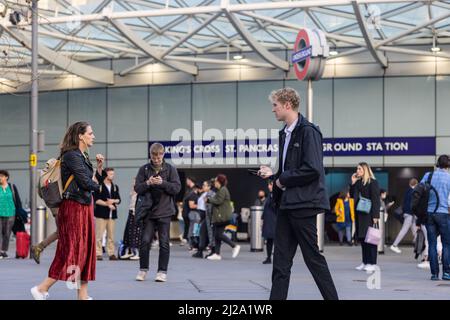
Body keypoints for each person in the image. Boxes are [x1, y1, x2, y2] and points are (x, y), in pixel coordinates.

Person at [258, 87, 338, 300]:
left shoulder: (308, 131)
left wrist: (282, 179)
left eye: (275, 105)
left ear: (287, 105)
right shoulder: (285, 134)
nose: (273, 110)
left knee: (313, 259)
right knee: (281, 263)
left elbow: (312, 168)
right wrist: (274, 175)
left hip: (304, 204)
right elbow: (289, 171)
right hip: (286, 204)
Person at [31, 121, 102, 300]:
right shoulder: (72, 155)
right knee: (70, 250)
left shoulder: (82, 155)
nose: (93, 136)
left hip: (84, 206)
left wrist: (98, 171)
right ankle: (41, 288)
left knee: (86, 250)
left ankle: (83, 295)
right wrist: (96, 185)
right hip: (73, 207)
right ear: (80, 135)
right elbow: (86, 183)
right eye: (91, 133)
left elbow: (90, 181)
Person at [31, 155, 105, 264]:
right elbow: (90, 182)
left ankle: (40, 247)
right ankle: (65, 258)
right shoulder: (66, 167)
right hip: (62, 203)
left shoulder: (51, 170)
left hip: (54, 203)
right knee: (66, 231)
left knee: (61, 231)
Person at [134, 143, 181, 282]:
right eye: (154, 156)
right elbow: (137, 188)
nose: (157, 159)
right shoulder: (144, 169)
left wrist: (163, 183)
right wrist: (148, 183)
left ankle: (162, 272)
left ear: (163, 154)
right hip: (148, 212)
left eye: (159, 156)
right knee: (145, 241)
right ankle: (143, 269)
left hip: (165, 211)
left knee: (164, 243)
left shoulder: (170, 169)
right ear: (150, 155)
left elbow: (177, 188)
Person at [419, 155, 450, 281]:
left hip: (429, 214)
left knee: (431, 243)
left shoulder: (428, 175)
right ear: (448, 165)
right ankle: (446, 273)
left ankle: (434, 274)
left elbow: (419, 191)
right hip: (443, 213)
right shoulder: (449, 177)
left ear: (437, 164)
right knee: (446, 244)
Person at [350, 162, 381, 273]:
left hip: (369, 214)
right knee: (363, 238)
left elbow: (376, 200)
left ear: (365, 170)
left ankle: (372, 263)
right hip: (360, 214)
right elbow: (352, 196)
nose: (357, 171)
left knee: (371, 239)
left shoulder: (373, 182)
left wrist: (376, 215)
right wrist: (353, 183)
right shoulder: (358, 183)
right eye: (357, 169)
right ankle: (365, 262)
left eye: (359, 169)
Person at [206, 174, 240, 261]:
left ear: (219, 182)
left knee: (218, 234)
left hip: (222, 217)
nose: (215, 183)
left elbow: (219, 201)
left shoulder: (223, 190)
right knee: (217, 235)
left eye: (216, 181)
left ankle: (234, 246)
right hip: (220, 217)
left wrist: (209, 199)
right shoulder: (221, 190)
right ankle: (217, 254)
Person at [94, 167, 121, 261]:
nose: (112, 176)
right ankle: (98, 253)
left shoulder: (114, 186)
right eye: (110, 174)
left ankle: (111, 253)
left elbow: (118, 200)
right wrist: (107, 204)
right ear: (105, 174)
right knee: (99, 236)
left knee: (111, 236)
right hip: (101, 214)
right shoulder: (99, 186)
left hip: (112, 215)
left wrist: (113, 201)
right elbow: (96, 200)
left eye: (113, 174)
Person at [390, 179, 419, 254]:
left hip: (408, 214)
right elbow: (413, 204)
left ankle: (418, 244)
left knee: (415, 230)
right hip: (410, 214)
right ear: (416, 184)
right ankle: (394, 245)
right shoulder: (414, 192)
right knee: (404, 230)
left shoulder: (407, 191)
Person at [0, 170, 23, 259]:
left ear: (6, 177)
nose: (0, 178)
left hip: (10, 213)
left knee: (7, 233)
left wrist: (19, 211)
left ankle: (3, 251)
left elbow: (17, 199)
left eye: (1, 176)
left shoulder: (12, 187)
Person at [192, 180, 215, 259]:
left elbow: (210, 206)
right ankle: (200, 250)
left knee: (207, 233)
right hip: (203, 215)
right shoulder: (203, 194)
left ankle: (210, 251)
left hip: (207, 216)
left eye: (205, 185)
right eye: (203, 185)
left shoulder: (211, 194)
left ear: (209, 186)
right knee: (202, 232)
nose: (203, 186)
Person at [120, 178, 141, 260]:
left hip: (136, 213)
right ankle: (130, 251)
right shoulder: (133, 191)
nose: (133, 184)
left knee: (135, 234)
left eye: (135, 182)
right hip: (131, 212)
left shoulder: (140, 192)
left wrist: (137, 212)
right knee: (128, 233)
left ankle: (137, 253)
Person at [262, 181, 276, 264]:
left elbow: (274, 206)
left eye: (270, 184)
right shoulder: (270, 195)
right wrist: (263, 218)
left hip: (273, 221)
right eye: (268, 185)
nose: (269, 186)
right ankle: (268, 257)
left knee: (275, 241)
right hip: (269, 221)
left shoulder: (274, 195)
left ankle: (273, 257)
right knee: (269, 241)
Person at [181, 177, 196, 246]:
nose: (186, 181)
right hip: (186, 210)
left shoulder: (194, 190)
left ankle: (189, 239)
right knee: (187, 225)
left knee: (190, 225)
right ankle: (185, 238)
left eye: (187, 180)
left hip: (190, 210)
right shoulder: (189, 190)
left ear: (190, 180)